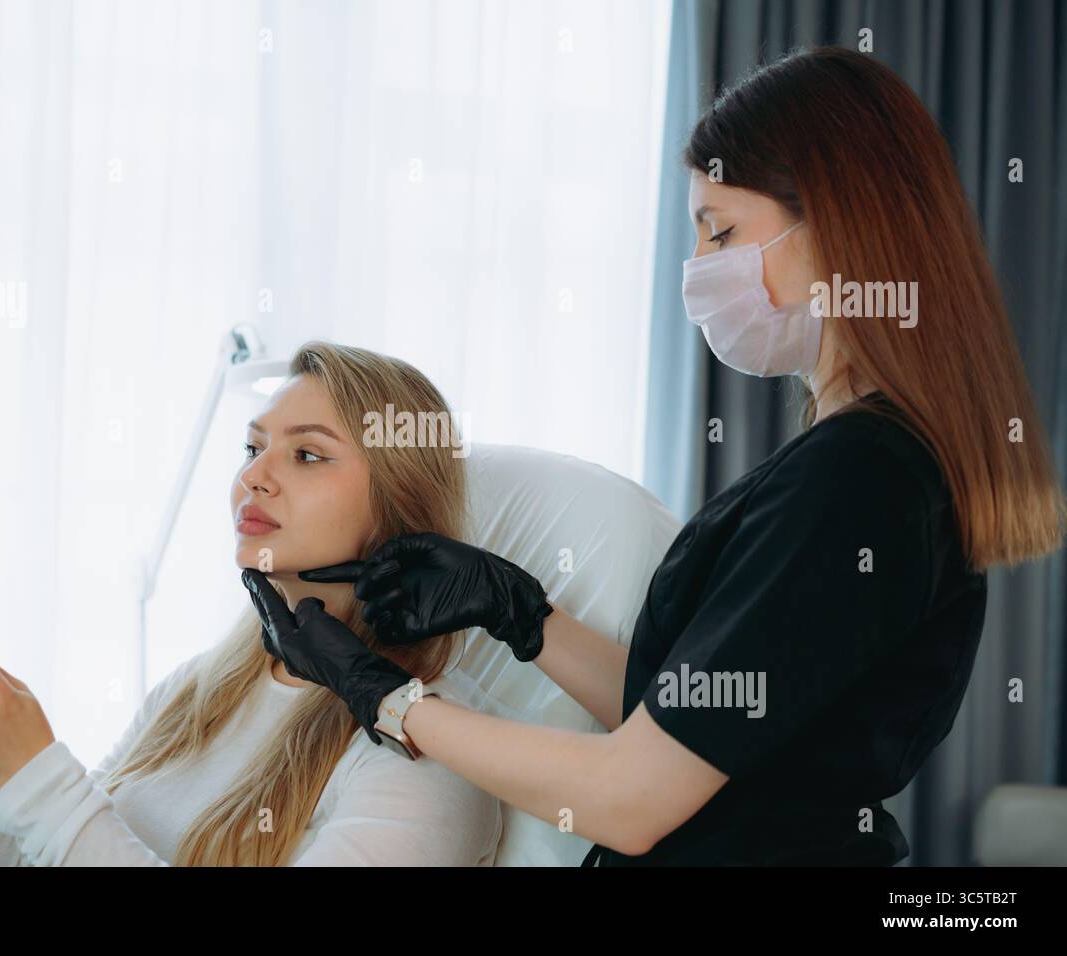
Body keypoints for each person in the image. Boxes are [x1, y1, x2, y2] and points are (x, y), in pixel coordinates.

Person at [241, 47, 1067, 866]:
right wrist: (518, 613)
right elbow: (688, 722)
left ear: (836, 224)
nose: (701, 269)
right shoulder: (864, 467)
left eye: (723, 233)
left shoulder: (858, 481)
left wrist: (384, 698)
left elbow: (631, 798)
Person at [0, 341, 500, 866]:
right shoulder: (201, 685)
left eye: (308, 454)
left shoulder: (433, 744)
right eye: (251, 446)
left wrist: (38, 779)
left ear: (401, 507)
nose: (254, 477)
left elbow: (58, 822)